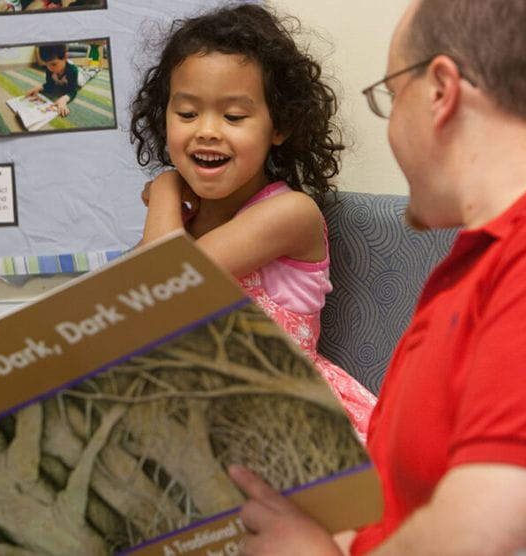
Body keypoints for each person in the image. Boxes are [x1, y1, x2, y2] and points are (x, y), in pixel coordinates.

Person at [228, 0, 526, 554]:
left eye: (392, 96)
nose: (391, 129)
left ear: (440, 92)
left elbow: (490, 526)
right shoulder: (475, 262)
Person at [130, 4, 376, 440]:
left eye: (234, 116)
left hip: (283, 423)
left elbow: (159, 288)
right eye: (187, 114)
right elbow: (129, 315)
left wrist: (166, 187)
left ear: (278, 126)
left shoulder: (289, 213)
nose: (207, 130)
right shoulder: (178, 226)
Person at [25, 43, 97, 118]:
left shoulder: (72, 70)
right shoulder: (49, 69)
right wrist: (40, 87)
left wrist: (63, 100)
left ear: (65, 57)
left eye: (53, 64)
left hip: (80, 76)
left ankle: (95, 69)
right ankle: (85, 68)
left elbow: (73, 91)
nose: (49, 68)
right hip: (67, 74)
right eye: (46, 64)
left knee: (87, 76)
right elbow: (50, 85)